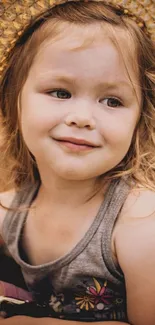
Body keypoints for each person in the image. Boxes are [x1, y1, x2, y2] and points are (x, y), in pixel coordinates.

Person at [0, 0, 154, 324]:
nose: (82, 118)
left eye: (112, 101)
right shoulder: (13, 210)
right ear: (15, 100)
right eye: (60, 92)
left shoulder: (140, 224)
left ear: (140, 119)